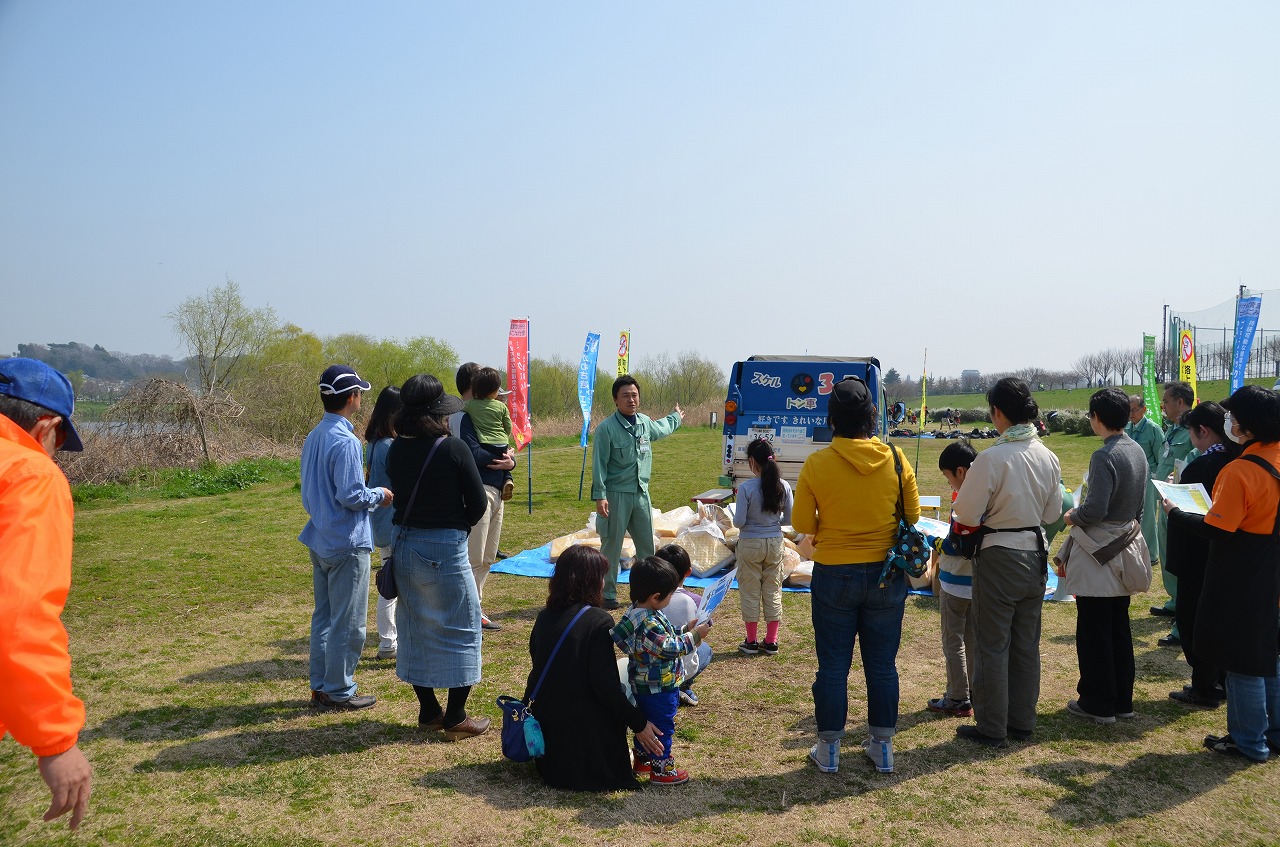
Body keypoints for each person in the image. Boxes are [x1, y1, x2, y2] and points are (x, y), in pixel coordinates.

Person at [792, 376, 918, 775]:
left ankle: (828, 748)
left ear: (831, 420)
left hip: (834, 574)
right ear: (873, 417)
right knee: (882, 666)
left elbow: (801, 524)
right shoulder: (897, 459)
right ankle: (882, 747)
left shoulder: (817, 463)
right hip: (886, 575)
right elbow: (913, 517)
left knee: (832, 667)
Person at [1164, 385, 1280, 762]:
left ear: (1244, 425)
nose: (1228, 421)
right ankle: (1274, 732)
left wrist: (1176, 514)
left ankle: (1249, 741)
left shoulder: (1241, 470)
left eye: (1233, 417)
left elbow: (1219, 528)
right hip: (1273, 566)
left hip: (1245, 573)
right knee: (1270, 655)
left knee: (1243, 662)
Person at [0, 358, 93, 830]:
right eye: (59, 442)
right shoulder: (28, 474)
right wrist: (55, 741)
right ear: (46, 427)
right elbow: (18, 615)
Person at [952, 378, 1062, 748]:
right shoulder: (1048, 455)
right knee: (1026, 643)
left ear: (997, 413)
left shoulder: (993, 457)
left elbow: (965, 513)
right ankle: (1022, 721)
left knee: (991, 644)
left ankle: (992, 727)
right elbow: (1051, 512)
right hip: (1034, 553)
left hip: (999, 554)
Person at [385, 374, 490, 740]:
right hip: (444, 545)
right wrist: (457, 528)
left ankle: (429, 710)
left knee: (415, 625)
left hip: (404, 543)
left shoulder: (396, 448)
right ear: (438, 414)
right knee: (463, 625)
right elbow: (477, 503)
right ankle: (456, 717)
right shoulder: (453, 448)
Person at [526, 546, 664, 791]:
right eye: (601, 576)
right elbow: (605, 685)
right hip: (586, 748)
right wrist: (639, 724)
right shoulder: (598, 620)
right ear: (591, 581)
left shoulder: (545, 616)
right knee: (629, 675)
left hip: (550, 741)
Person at [299, 365, 392, 711]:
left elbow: (312, 490)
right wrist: (379, 494)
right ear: (352, 398)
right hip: (347, 541)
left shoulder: (315, 436)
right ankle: (339, 689)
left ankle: (321, 685)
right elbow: (351, 495)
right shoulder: (346, 441)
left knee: (324, 616)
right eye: (360, 394)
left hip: (321, 536)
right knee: (349, 621)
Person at [1056, 388, 1151, 724]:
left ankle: (1097, 703)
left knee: (1094, 631)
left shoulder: (1104, 455)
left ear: (1097, 417)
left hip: (1099, 550)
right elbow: (1139, 503)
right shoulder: (1137, 449)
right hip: (1126, 542)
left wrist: (1071, 517)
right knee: (1118, 629)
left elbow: (1094, 509)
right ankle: (1122, 701)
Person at [611, 556, 711, 785]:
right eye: (668, 595)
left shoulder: (637, 612)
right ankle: (662, 769)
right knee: (663, 726)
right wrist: (695, 636)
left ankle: (643, 761)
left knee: (647, 722)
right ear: (656, 597)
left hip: (642, 684)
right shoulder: (649, 623)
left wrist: (686, 628)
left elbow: (666, 635)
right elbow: (668, 647)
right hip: (659, 686)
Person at [1164, 401, 1237, 708]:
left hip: (1198, 556)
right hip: (1230, 558)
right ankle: (1218, 680)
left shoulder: (1204, 465)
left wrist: (1173, 504)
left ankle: (1204, 687)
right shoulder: (1238, 458)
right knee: (1222, 622)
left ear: (1202, 431)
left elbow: (1195, 518)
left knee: (1194, 621)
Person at [591, 375, 684, 609]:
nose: (631, 400)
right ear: (615, 400)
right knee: (611, 546)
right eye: (625, 395)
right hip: (615, 494)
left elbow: (661, 428)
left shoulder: (643, 422)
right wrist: (600, 495)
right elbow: (599, 465)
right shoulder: (606, 429)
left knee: (647, 547)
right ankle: (608, 594)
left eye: (634, 395)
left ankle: (645, 594)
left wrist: (675, 417)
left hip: (641, 493)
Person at [450, 362, 515, 632]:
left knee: (488, 556)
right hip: (478, 491)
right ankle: (468, 612)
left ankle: (477, 608)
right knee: (473, 556)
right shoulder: (461, 416)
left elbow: (505, 445)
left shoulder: (484, 411)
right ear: (472, 384)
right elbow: (472, 453)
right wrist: (504, 459)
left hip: (497, 488)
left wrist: (510, 464)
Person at [927, 439, 979, 719]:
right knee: (971, 641)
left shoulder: (965, 499)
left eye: (948, 476)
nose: (949, 483)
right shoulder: (989, 491)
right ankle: (971, 692)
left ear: (960, 471)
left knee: (953, 641)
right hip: (977, 581)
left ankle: (958, 698)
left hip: (955, 579)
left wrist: (933, 542)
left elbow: (956, 545)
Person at [732, 437, 793, 656]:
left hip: (750, 543)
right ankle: (771, 640)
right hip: (775, 542)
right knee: (773, 589)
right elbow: (789, 520)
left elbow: (738, 522)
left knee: (750, 590)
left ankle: (751, 641)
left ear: (751, 461)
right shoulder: (784, 486)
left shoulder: (746, 488)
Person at [1152, 381, 1195, 647]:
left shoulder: (1193, 431)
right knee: (1167, 553)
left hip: (1182, 504)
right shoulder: (1171, 430)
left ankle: (1183, 612)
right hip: (1165, 499)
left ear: (1180, 402)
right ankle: (1174, 600)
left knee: (1180, 558)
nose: (1163, 405)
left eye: (1166, 400)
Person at [364, 385, 403, 661]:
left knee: (389, 581)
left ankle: (390, 640)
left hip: (378, 522)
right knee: (390, 586)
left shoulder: (373, 443)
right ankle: (388, 643)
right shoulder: (390, 446)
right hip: (390, 524)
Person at [653, 544, 713, 706]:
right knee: (705, 649)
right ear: (688, 571)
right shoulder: (693, 600)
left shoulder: (644, 601)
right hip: (670, 671)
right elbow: (697, 641)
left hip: (647, 671)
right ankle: (683, 685)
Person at [461, 366, 515, 501]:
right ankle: (507, 479)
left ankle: (506, 479)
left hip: (485, 441)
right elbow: (508, 425)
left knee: (502, 458)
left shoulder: (471, 405)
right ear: (496, 390)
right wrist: (505, 435)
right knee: (504, 455)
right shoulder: (501, 406)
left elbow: (460, 406)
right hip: (502, 442)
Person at [1126, 394, 1163, 577]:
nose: (1131, 414)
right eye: (1129, 410)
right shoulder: (1127, 428)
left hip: (1148, 477)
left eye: (1134, 410)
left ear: (1144, 409)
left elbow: (1160, 456)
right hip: (1131, 476)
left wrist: (1154, 475)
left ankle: (1152, 555)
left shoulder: (1153, 429)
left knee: (1148, 516)